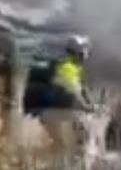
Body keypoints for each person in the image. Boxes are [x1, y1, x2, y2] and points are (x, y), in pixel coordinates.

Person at [25, 34, 96, 164]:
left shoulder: (58, 62)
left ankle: (35, 160)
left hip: (41, 110)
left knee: (59, 145)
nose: (87, 54)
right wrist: (87, 107)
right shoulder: (68, 67)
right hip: (55, 110)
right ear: (79, 52)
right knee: (86, 128)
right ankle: (84, 160)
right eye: (85, 51)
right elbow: (74, 94)